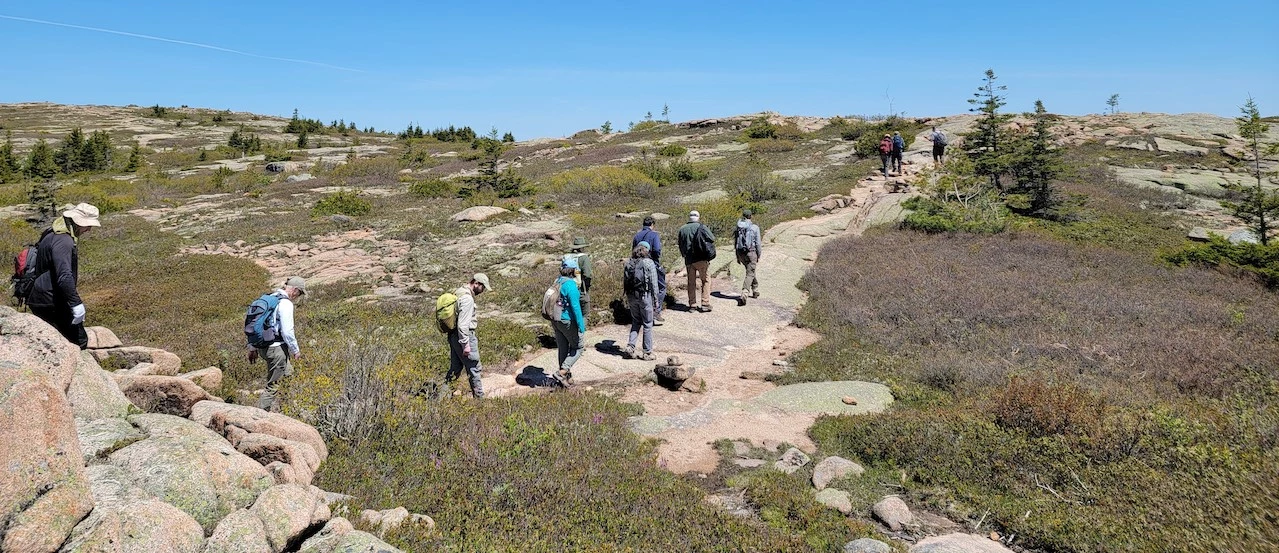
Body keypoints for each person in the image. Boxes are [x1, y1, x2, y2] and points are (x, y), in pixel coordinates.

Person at [26, 203, 101, 349]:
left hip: (40, 299)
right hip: (51, 301)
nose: (89, 229)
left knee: (51, 344)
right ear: (77, 223)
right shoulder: (64, 241)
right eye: (87, 225)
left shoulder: (52, 232)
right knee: (78, 342)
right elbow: (64, 275)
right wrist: (76, 303)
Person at [254, 276, 306, 411]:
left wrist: (252, 346)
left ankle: (286, 406)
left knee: (288, 373)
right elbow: (287, 331)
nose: (298, 297)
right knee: (273, 384)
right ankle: (258, 415)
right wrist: (296, 350)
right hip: (276, 349)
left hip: (263, 347)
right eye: (300, 293)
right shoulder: (286, 304)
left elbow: (255, 323)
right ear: (295, 290)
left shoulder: (269, 298)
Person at [448, 273, 492, 398]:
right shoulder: (467, 299)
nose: (483, 291)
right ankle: (480, 401)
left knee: (455, 369)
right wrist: (465, 344)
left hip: (453, 335)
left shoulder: (458, 291)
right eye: (483, 287)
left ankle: (441, 399)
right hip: (464, 336)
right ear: (476, 283)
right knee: (474, 368)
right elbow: (463, 325)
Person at [552, 259, 587, 385]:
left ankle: (565, 379)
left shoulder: (557, 281)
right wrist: (581, 326)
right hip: (567, 320)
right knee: (579, 347)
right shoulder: (571, 285)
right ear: (573, 270)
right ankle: (562, 372)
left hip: (555, 319)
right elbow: (576, 307)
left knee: (563, 348)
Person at [623, 241, 659, 361]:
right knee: (648, 324)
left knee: (636, 321)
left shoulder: (628, 263)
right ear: (647, 250)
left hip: (631, 296)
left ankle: (630, 346)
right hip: (645, 296)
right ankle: (647, 352)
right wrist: (656, 301)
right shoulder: (649, 263)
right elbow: (654, 284)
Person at [677, 210, 716, 312]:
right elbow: (712, 238)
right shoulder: (702, 227)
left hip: (689, 260)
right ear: (698, 217)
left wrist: (684, 255)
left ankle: (692, 304)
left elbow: (680, 244)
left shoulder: (682, 229)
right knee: (706, 280)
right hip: (702, 258)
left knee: (691, 282)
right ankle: (705, 303)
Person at [632, 216, 666, 322]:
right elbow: (656, 250)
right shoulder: (654, 235)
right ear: (652, 225)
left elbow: (633, 250)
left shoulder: (637, 235)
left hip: (638, 264)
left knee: (642, 288)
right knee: (660, 287)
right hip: (652, 264)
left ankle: (642, 312)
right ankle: (656, 311)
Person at [733, 209, 762, 305]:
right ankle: (745, 293)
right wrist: (758, 254)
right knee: (750, 273)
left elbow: (735, 242)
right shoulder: (754, 227)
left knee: (750, 271)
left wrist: (737, 256)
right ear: (751, 216)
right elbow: (758, 243)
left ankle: (755, 290)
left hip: (741, 253)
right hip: (751, 252)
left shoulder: (738, 227)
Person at [563, 237, 593, 320]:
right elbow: (588, 275)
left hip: (566, 287)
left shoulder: (566, 257)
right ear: (582, 247)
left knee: (570, 312)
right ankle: (581, 330)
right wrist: (586, 287)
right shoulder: (584, 258)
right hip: (580, 288)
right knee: (585, 314)